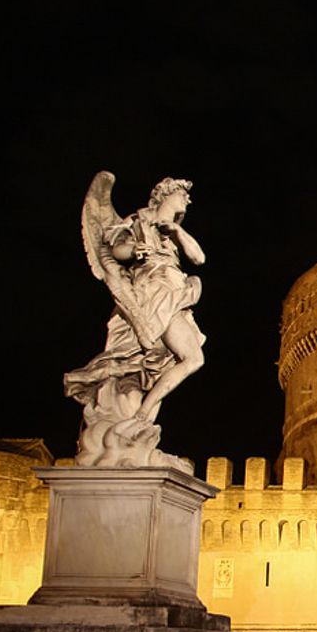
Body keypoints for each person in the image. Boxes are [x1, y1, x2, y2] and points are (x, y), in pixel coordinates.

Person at [67, 174, 207, 467]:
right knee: (185, 358)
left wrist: (177, 232)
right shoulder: (138, 221)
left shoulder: (173, 231)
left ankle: (142, 418)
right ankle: (140, 418)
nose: (187, 200)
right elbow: (115, 250)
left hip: (175, 292)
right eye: (182, 193)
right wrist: (135, 250)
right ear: (164, 195)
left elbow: (199, 258)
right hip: (151, 292)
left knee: (191, 359)